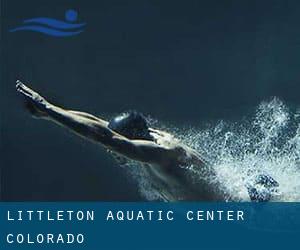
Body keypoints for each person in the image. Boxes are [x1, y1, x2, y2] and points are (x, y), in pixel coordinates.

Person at [15, 80, 277, 201]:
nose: (111, 151)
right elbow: (99, 126)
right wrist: (51, 113)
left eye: (115, 146)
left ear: (132, 140)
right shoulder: (146, 139)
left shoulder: (161, 154)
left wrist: (48, 109)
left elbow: (105, 137)